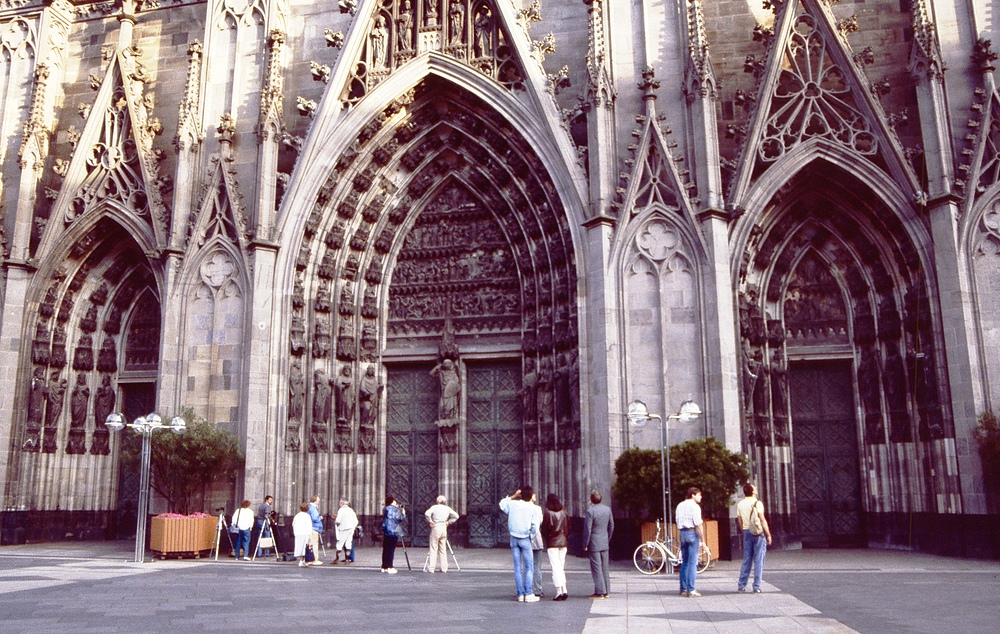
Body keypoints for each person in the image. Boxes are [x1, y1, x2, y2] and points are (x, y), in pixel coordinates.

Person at [499, 486, 541, 603]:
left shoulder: (513, 505)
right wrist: (531, 537)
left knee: (517, 567)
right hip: (525, 538)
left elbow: (502, 504)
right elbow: (535, 526)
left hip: (514, 538)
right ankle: (528, 593)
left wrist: (514, 496)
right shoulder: (534, 508)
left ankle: (520, 594)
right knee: (529, 567)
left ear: (521, 495)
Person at [736, 483, 772, 594]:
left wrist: (744, 530)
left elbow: (739, 521)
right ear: (752, 491)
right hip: (758, 533)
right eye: (755, 488)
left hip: (747, 532)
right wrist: (768, 534)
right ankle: (756, 587)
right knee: (758, 559)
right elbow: (762, 519)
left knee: (747, 559)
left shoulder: (740, 504)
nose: (756, 489)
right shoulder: (757, 503)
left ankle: (741, 586)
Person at [583, 490, 613, 599]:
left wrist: (585, 544)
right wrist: (607, 538)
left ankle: (599, 591)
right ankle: (606, 591)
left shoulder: (590, 511)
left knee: (596, 567)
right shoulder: (607, 510)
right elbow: (611, 526)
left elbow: (588, 529)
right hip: (604, 542)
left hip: (594, 543)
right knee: (605, 567)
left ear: (591, 500)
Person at [676, 487, 705, 597]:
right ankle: (691, 589)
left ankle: (683, 588)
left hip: (682, 533)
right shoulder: (695, 507)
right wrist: (703, 540)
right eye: (699, 495)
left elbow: (678, 520)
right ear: (693, 495)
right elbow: (698, 524)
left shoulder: (680, 505)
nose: (700, 497)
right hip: (692, 532)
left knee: (685, 562)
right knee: (693, 562)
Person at [541, 493, 570, 601]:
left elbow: (544, 528)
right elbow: (568, 526)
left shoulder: (548, 513)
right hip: (563, 542)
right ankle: (564, 589)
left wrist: (548, 538)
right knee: (561, 567)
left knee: (555, 567)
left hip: (552, 543)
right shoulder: (564, 512)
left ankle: (559, 591)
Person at [424, 495, 459, 573]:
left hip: (436, 527)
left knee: (433, 548)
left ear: (437, 501)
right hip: (444, 527)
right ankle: (444, 568)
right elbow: (456, 516)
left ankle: (431, 568)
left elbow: (427, 513)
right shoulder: (447, 508)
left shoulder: (434, 507)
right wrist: (449, 522)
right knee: (443, 548)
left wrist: (430, 521)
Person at [381, 496, 406, 574]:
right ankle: (390, 566)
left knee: (386, 549)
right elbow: (400, 518)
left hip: (386, 530)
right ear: (392, 502)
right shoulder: (396, 509)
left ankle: (384, 566)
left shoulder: (385, 509)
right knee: (391, 549)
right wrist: (403, 512)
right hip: (394, 531)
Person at [333, 498, 358, 564]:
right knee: (348, 543)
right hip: (351, 529)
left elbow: (338, 520)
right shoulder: (351, 510)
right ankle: (347, 559)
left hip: (343, 529)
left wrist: (336, 523)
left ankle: (337, 559)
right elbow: (356, 521)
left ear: (342, 503)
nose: (339, 504)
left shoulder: (341, 510)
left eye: (340, 503)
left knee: (339, 544)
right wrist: (353, 527)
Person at [530, 492, 545, 597]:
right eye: (534, 495)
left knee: (527, 565)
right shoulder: (537, 509)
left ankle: (527, 589)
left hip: (525, 539)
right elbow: (539, 522)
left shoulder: (521, 508)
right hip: (536, 538)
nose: (536, 496)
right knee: (537, 565)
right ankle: (537, 589)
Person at [292, 502, 313, 568]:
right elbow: (309, 526)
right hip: (305, 534)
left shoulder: (297, 515)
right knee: (305, 547)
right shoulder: (307, 516)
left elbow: (293, 524)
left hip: (298, 534)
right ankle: (302, 561)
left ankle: (302, 560)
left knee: (300, 547)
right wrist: (310, 535)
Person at [307, 495, 324, 565]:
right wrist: (320, 518)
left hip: (313, 528)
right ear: (315, 501)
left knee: (312, 544)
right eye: (318, 501)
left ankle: (311, 559)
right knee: (314, 544)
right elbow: (315, 518)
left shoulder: (311, 507)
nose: (319, 502)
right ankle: (315, 560)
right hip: (314, 528)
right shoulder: (313, 508)